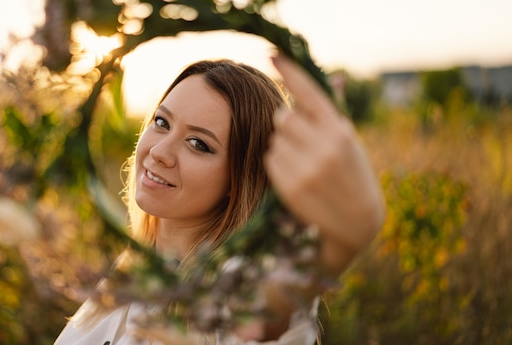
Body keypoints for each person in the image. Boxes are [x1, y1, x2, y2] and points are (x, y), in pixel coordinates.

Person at [54, 54, 385, 344]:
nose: (159, 152)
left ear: (239, 178)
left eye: (198, 144)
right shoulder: (132, 269)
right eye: (161, 122)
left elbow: (262, 319)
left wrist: (333, 250)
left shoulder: (227, 290)